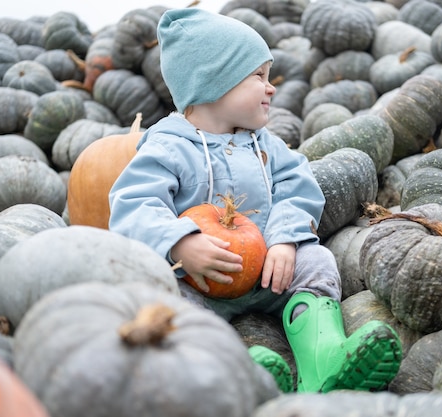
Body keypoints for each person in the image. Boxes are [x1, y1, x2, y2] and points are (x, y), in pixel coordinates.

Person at [108, 7, 402, 393]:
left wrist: (285, 238)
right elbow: (132, 203)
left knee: (316, 260)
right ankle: (236, 371)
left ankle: (325, 359)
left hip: (266, 270)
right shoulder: (167, 148)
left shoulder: (265, 143)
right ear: (213, 83)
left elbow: (298, 187)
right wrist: (179, 242)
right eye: (258, 77)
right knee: (167, 302)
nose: (271, 87)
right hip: (198, 280)